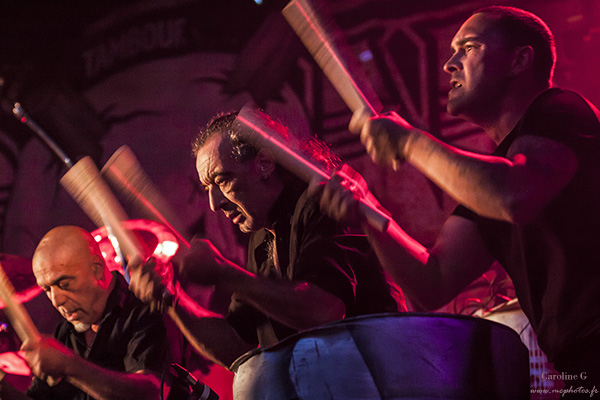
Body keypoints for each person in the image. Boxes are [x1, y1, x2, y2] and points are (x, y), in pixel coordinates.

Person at [310, 5, 600, 388]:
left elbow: (512, 195)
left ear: (519, 60)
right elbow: (433, 281)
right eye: (452, 51)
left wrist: (409, 142)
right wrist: (369, 211)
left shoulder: (561, 109)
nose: (449, 64)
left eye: (469, 47)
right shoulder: (491, 180)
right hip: (578, 361)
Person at [129, 111, 402, 369]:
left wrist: (224, 272)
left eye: (222, 180)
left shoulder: (322, 204)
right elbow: (236, 347)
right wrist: (171, 298)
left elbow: (324, 311)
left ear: (264, 165)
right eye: (207, 188)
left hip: (385, 373)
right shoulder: (261, 239)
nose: (214, 203)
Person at [0, 225, 169, 400]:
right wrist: (4, 390)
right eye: (47, 290)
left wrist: (69, 366)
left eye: (64, 284)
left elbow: (149, 394)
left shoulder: (145, 309)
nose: (56, 301)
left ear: (96, 268)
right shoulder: (64, 334)